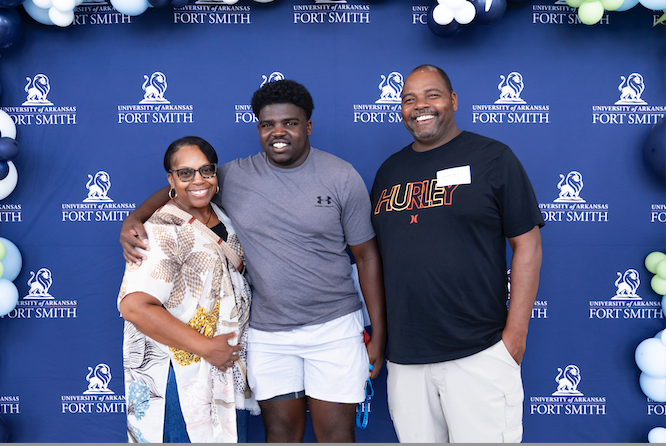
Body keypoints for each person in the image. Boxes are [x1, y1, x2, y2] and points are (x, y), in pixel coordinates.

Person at [119, 80, 387, 443]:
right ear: (258, 128)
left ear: (307, 125)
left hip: (335, 328)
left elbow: (366, 255)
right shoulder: (234, 175)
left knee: (337, 436)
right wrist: (136, 217)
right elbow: (188, 188)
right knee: (279, 433)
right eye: (267, 125)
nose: (278, 132)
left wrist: (378, 337)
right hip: (268, 333)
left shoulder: (341, 176)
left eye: (290, 123)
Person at [370, 65, 544, 443]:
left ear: (453, 100)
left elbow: (527, 244)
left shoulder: (493, 158)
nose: (420, 106)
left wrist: (515, 337)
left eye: (432, 95)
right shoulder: (389, 171)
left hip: (478, 351)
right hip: (407, 357)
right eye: (409, 99)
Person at [118, 136, 257, 443]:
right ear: (171, 179)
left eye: (206, 171)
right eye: (186, 173)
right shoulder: (161, 230)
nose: (198, 180)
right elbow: (135, 306)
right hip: (179, 374)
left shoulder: (224, 217)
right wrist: (207, 348)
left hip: (225, 370)